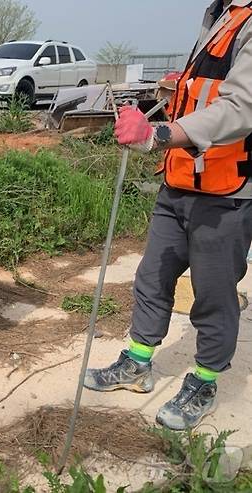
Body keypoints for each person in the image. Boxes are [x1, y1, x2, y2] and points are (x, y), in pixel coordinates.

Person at [85, 0, 252, 431]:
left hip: (226, 190)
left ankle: (205, 381)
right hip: (179, 180)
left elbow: (241, 109)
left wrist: (159, 132)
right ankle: (137, 364)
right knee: (152, 276)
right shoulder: (218, 14)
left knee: (213, 293)